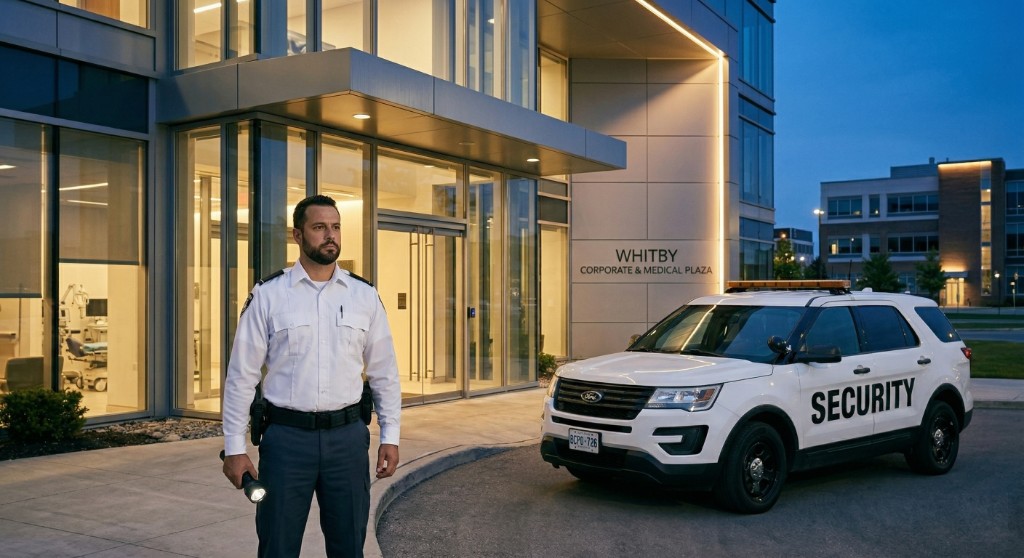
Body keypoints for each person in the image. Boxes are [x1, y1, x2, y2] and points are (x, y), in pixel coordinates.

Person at [222, 194, 401, 557]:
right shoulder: (269, 296)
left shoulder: (363, 296)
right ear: (297, 235)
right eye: (319, 227)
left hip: (348, 442)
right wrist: (235, 448)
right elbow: (242, 376)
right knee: (278, 546)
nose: (330, 235)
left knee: (349, 546)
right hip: (286, 442)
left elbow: (384, 373)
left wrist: (391, 436)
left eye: (335, 227)